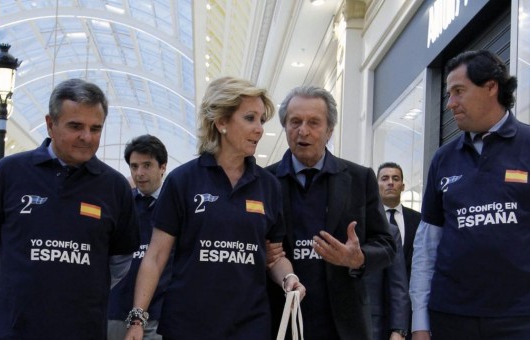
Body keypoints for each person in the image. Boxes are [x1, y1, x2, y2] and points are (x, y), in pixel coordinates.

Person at [409, 50, 530, 340]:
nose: (449, 103)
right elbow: (426, 248)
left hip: (525, 319)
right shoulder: (443, 159)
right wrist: (419, 321)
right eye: (449, 93)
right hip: (451, 318)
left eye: (459, 92)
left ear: (491, 87)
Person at [124, 76, 305, 340]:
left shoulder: (268, 186)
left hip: (249, 325)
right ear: (221, 122)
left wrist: (289, 277)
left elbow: (274, 256)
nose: (259, 129)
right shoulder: (183, 180)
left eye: (261, 121)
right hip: (189, 324)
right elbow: (156, 256)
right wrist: (137, 318)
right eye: (250, 118)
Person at [0, 78, 140, 339]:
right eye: (76, 126)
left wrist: (76, 285)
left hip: (80, 329)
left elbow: (119, 262)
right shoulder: (10, 172)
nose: (87, 137)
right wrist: (21, 280)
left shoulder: (115, 188)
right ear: (50, 124)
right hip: (11, 328)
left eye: (95, 128)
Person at [266, 85, 397, 340]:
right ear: (285, 127)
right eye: (295, 122)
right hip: (281, 320)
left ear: (329, 130)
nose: (303, 131)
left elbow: (387, 245)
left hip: (343, 325)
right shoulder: (265, 182)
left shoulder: (359, 178)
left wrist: (357, 259)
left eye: (314, 122)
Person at [107, 135, 169, 340]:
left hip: (159, 315)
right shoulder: (121, 205)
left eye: (147, 165)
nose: (139, 173)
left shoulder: (175, 207)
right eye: (134, 167)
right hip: (116, 311)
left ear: (163, 167)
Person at [368, 162, 422, 340]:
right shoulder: (367, 223)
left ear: (403, 186)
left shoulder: (419, 220)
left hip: (409, 309)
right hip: (373, 310)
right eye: (384, 178)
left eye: (395, 178)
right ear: (377, 186)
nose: (390, 182)